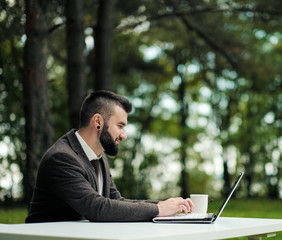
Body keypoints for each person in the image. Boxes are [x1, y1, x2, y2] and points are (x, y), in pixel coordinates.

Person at [25, 90, 193, 223]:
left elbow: (115, 200)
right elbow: (96, 208)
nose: (124, 135)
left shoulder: (99, 156)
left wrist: (163, 205)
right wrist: (159, 210)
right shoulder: (62, 158)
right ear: (98, 121)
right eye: (120, 126)